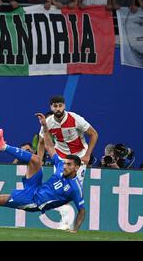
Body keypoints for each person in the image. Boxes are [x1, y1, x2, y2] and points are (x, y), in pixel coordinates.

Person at [0, 123, 86, 233]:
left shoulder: (75, 188)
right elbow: (50, 146)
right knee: (36, 160)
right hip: (35, 187)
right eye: (66, 163)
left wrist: (74, 229)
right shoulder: (61, 166)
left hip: (34, 201)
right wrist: (44, 125)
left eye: (69, 164)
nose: (65, 166)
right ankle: (3, 146)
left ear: (76, 168)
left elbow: (82, 210)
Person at [37, 95, 97, 230]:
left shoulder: (76, 118)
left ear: (64, 106)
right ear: (51, 107)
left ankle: (75, 222)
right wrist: (39, 161)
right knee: (58, 189)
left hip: (79, 157)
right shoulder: (48, 122)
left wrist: (87, 155)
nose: (57, 108)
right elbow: (41, 142)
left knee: (74, 189)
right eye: (54, 106)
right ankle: (66, 219)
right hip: (61, 158)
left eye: (60, 105)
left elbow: (94, 134)